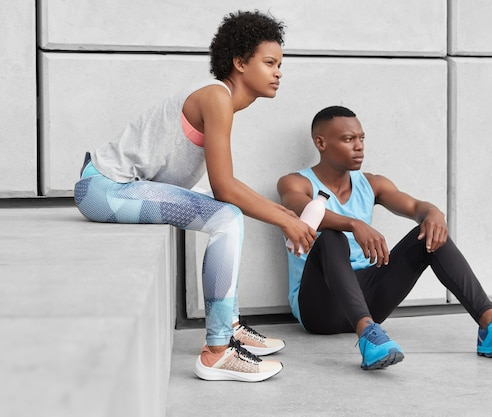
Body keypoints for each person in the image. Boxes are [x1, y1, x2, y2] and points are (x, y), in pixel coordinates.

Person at [73, 10, 317, 382]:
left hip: (111, 187)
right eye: (270, 63)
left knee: (226, 210)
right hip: (105, 190)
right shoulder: (216, 98)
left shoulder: (219, 99)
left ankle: (230, 327)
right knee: (227, 216)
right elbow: (225, 188)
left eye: (280, 64)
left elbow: (228, 185)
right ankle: (217, 350)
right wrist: (285, 219)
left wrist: (287, 215)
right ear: (239, 62)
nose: (279, 72)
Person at [277, 105, 492, 370]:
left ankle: (491, 326)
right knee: (331, 237)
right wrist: (353, 224)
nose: (359, 146)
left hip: (369, 298)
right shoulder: (295, 183)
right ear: (321, 143)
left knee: (425, 233)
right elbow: (300, 210)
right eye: (348, 139)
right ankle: (368, 336)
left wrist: (434, 214)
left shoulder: (372, 183)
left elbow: (417, 207)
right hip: (318, 307)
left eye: (361, 138)